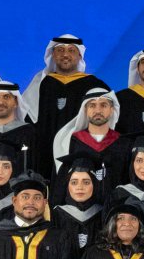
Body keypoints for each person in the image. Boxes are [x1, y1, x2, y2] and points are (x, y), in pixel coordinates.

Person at [24, 35, 109, 175]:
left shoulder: (95, 86)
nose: (65, 54)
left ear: (80, 55)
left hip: (81, 156)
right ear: (52, 54)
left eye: (71, 50)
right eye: (60, 50)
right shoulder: (40, 83)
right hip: (43, 156)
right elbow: (27, 121)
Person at [52, 87, 124, 183]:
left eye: (103, 105)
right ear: (85, 110)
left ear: (112, 110)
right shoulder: (70, 142)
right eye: (92, 105)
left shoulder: (124, 143)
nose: (98, 111)